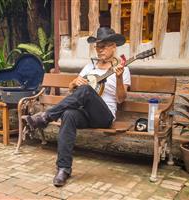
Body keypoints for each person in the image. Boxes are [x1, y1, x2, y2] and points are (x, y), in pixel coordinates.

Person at [23, 27, 131, 187]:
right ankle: (64, 168)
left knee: (86, 90)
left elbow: (121, 99)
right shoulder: (89, 67)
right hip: (85, 115)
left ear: (114, 46)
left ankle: (45, 117)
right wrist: (74, 83)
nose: (99, 50)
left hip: (105, 116)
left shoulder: (123, 69)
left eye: (103, 46)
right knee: (68, 115)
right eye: (97, 46)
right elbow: (72, 89)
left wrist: (119, 78)